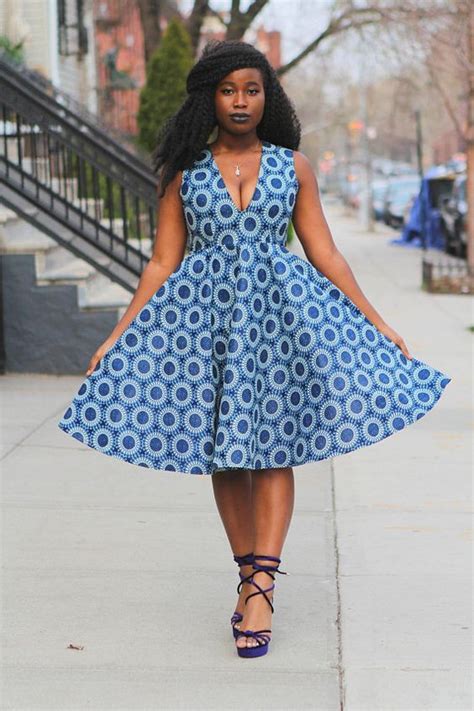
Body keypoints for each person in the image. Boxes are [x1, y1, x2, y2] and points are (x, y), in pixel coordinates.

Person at [58, 40, 452, 659]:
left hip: (277, 320)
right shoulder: (183, 171)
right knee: (226, 455)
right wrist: (120, 332)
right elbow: (164, 259)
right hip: (205, 324)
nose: (242, 100)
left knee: (272, 449)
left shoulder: (292, 166)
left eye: (253, 89)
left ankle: (262, 587)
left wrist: (374, 320)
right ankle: (246, 574)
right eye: (229, 90)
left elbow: (324, 251)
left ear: (267, 97)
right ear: (209, 97)